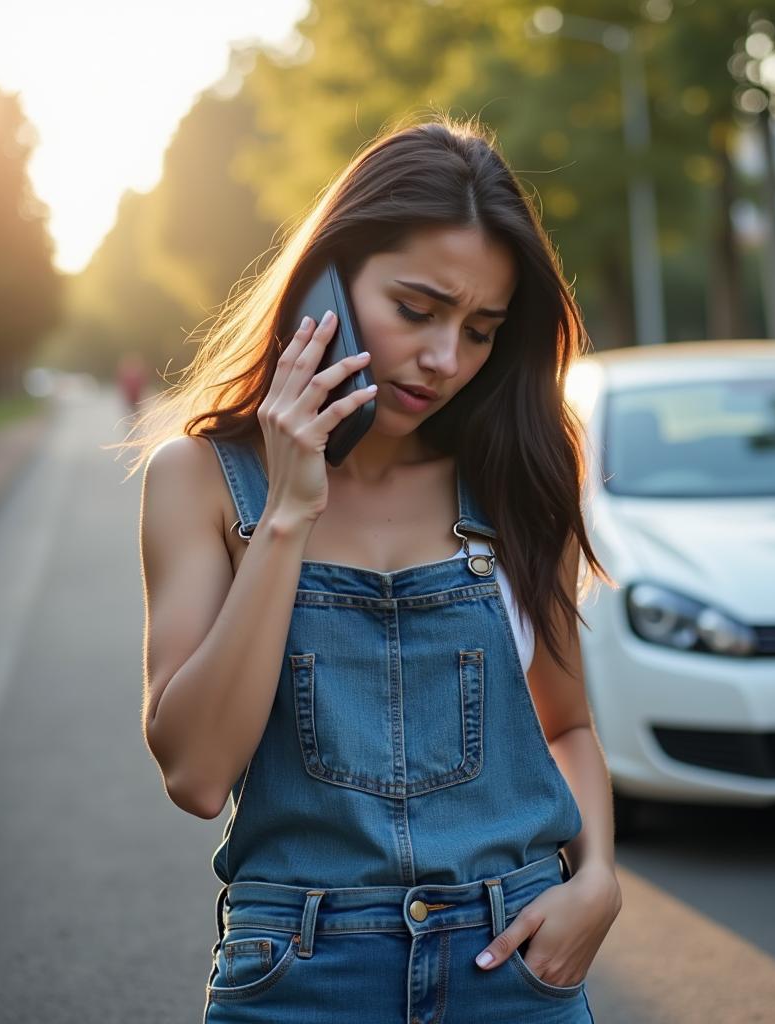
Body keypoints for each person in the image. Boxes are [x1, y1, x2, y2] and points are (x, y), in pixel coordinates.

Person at [121, 115, 621, 1023]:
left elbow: (568, 726)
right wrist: (288, 515)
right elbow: (195, 774)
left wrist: (599, 882)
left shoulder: (518, 477)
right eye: (417, 310)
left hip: (513, 971)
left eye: (480, 330)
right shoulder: (198, 481)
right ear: (329, 285)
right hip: (298, 976)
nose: (444, 359)